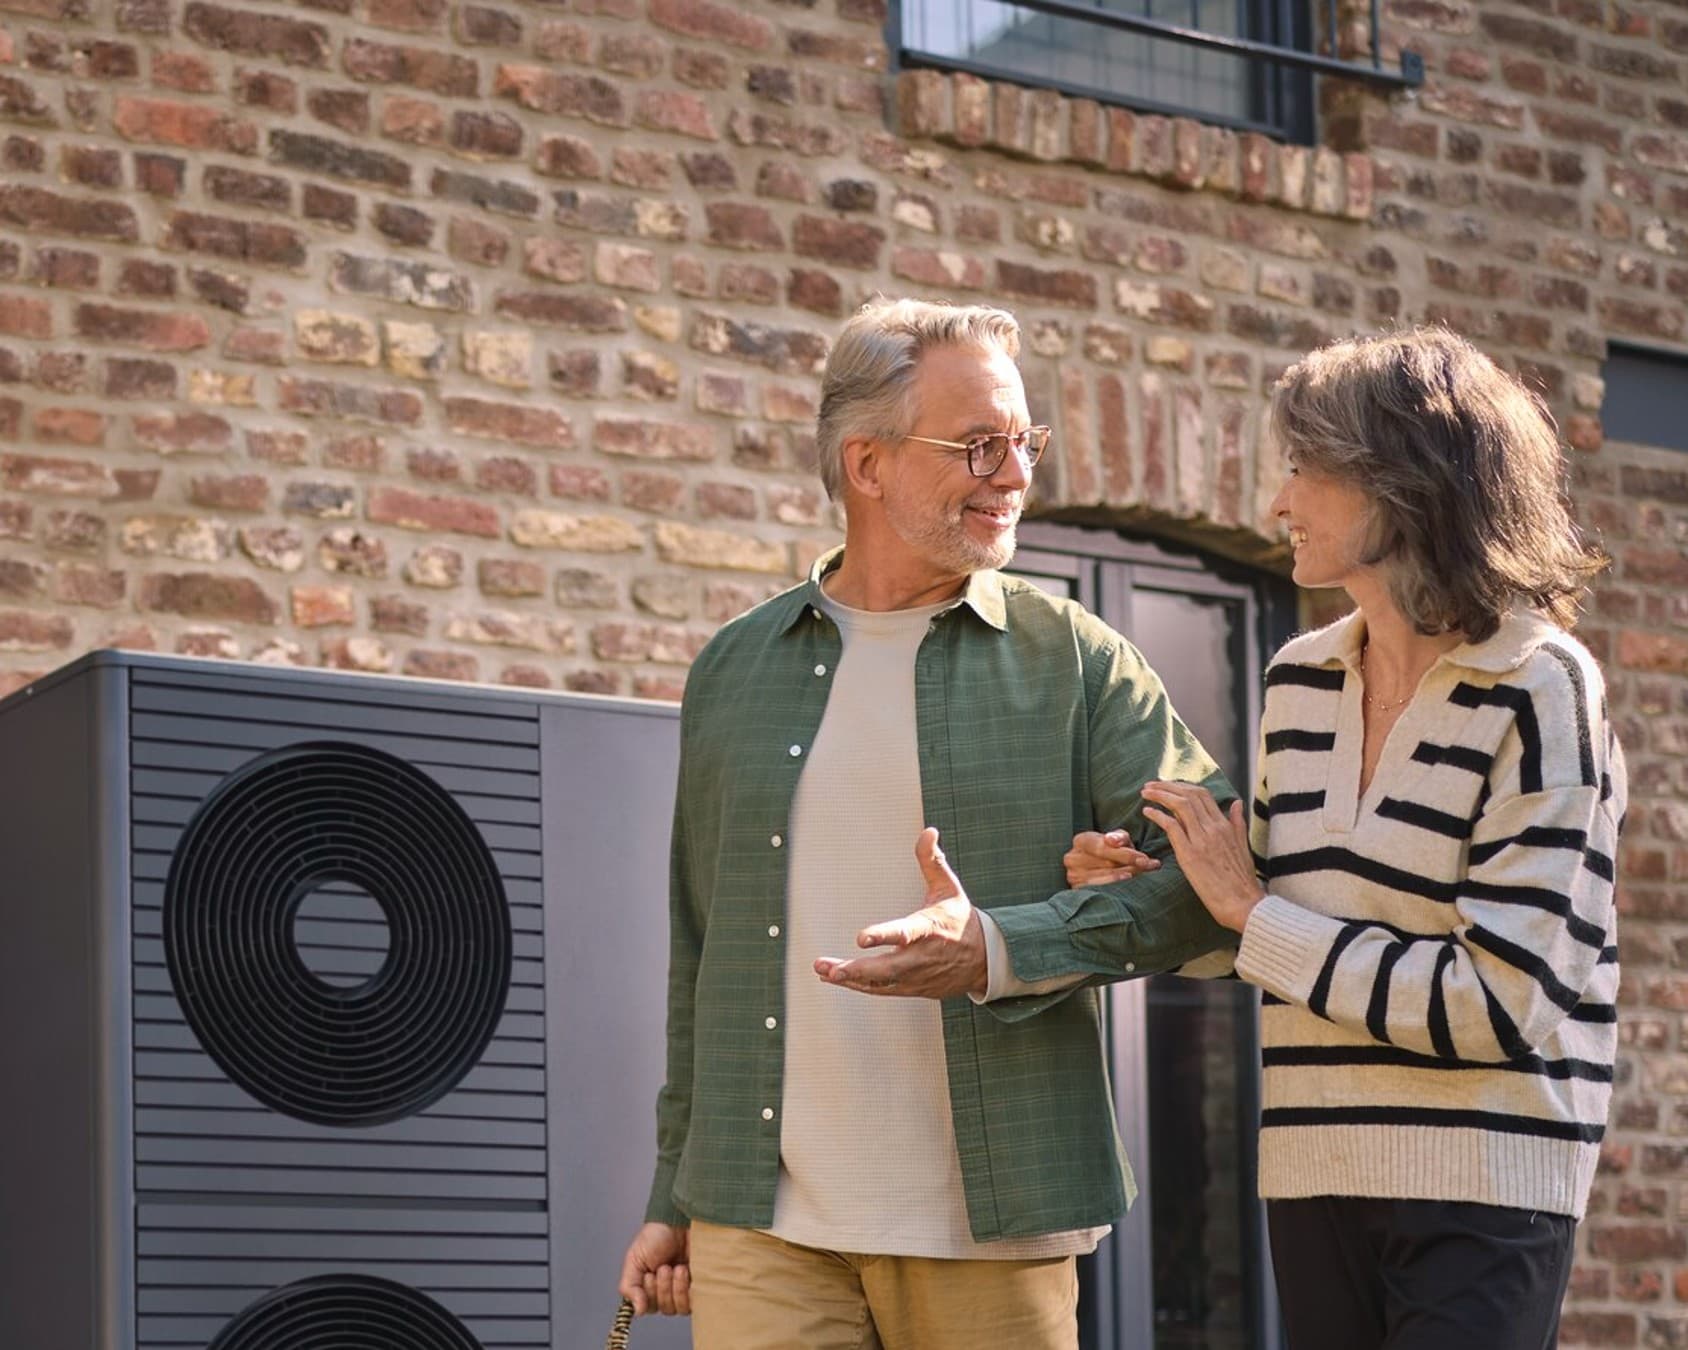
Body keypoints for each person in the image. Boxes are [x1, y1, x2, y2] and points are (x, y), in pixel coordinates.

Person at [616, 297, 1239, 1348]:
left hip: (991, 1227)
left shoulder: (1076, 660)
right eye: (979, 445)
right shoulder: (733, 668)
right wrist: (675, 1193)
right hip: (759, 1226)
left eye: (1025, 442)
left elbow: (1213, 881)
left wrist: (1004, 945)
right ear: (867, 464)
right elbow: (701, 952)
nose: (1015, 475)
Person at [1068, 327, 1627, 1350]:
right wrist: (1152, 890)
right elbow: (1265, 933)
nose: (1279, 504)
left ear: (1401, 483)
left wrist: (1252, 914)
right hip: (1312, 1170)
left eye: (1305, 469)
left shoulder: (1541, 689)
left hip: (1486, 1183)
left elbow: (1504, 1003)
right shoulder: (1300, 679)